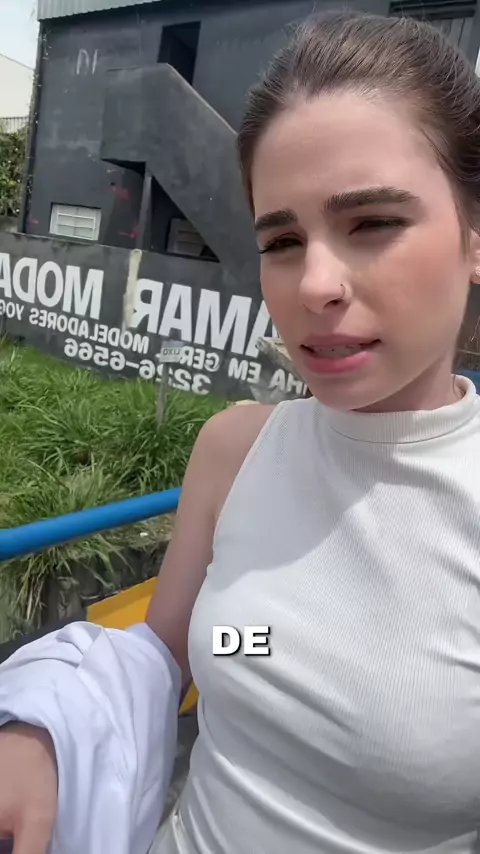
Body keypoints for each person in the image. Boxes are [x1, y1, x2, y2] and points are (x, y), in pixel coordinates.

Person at [1, 8, 480, 854]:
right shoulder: (238, 449)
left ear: (473, 241)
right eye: (283, 239)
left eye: (374, 222)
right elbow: (180, 652)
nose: (316, 283)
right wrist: (44, 733)